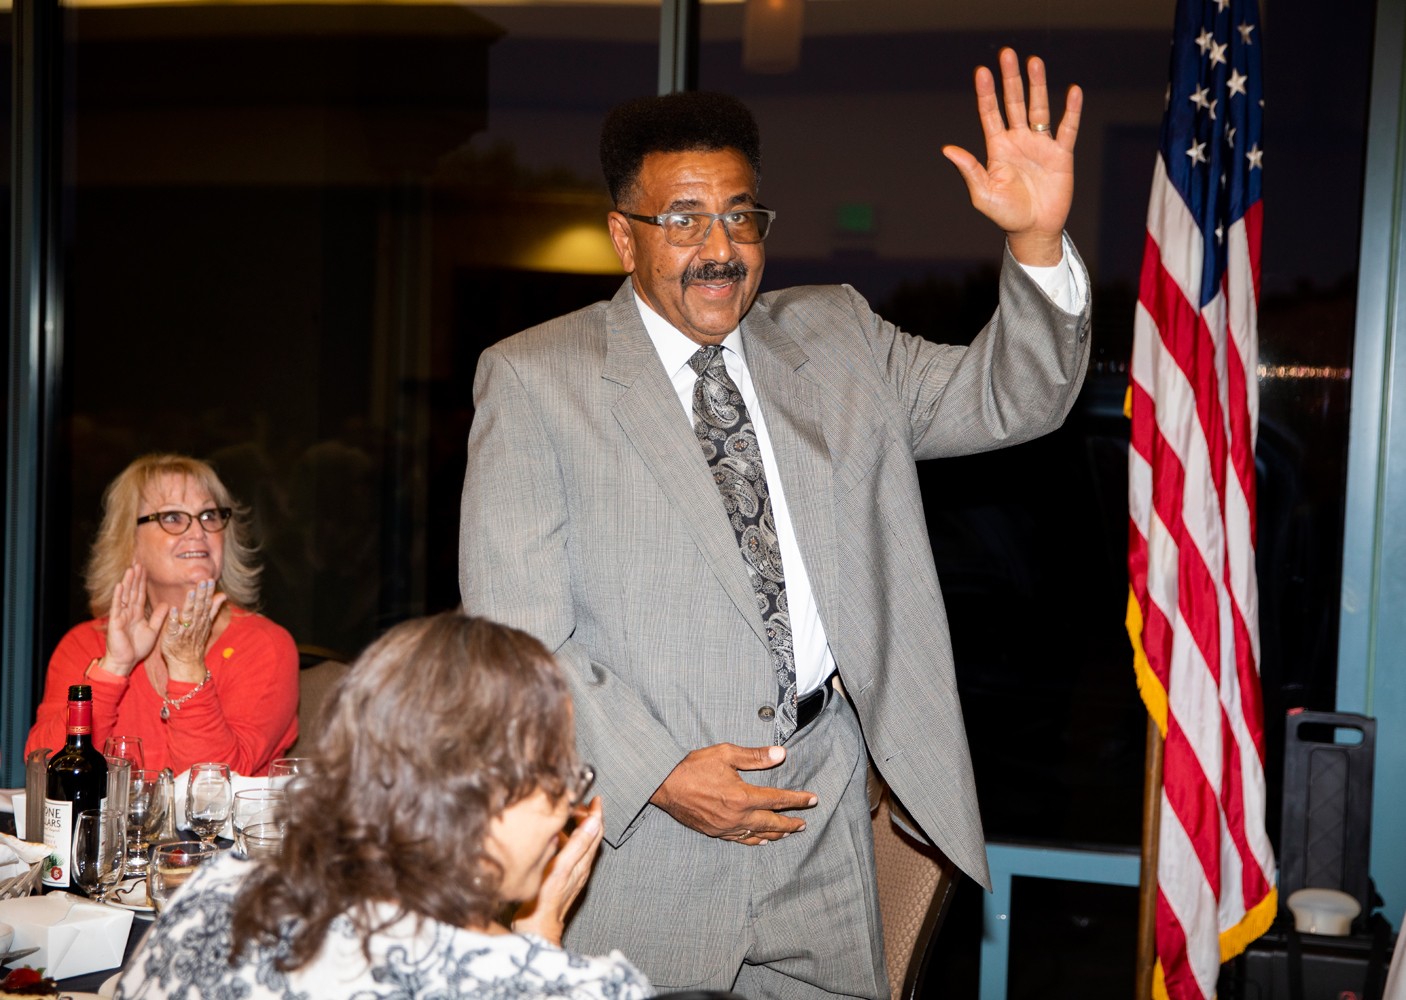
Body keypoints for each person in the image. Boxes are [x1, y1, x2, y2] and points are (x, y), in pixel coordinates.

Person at [459, 48, 1089, 998]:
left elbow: (1013, 398)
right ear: (624, 238)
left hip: (820, 815)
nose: (720, 247)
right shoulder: (535, 379)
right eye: (682, 220)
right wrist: (660, 774)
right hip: (639, 843)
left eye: (740, 215)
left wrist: (1038, 243)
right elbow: (518, 639)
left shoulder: (838, 339)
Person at [113, 612, 652, 1000]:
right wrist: (540, 944)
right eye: (561, 775)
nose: (568, 806)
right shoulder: (573, 988)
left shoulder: (213, 895)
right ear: (489, 796)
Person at [26, 453, 298, 776]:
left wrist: (186, 667)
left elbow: (212, 789)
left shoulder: (264, 646)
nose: (198, 531)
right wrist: (114, 668)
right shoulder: (84, 645)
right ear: (129, 542)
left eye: (209, 515)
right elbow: (44, 769)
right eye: (172, 517)